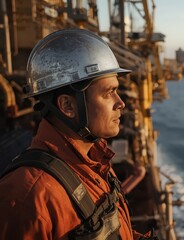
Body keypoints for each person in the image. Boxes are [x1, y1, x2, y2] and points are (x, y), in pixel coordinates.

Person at [0, 29, 142, 239]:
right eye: (108, 93)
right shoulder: (28, 196)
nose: (120, 103)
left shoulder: (95, 162)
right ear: (67, 105)